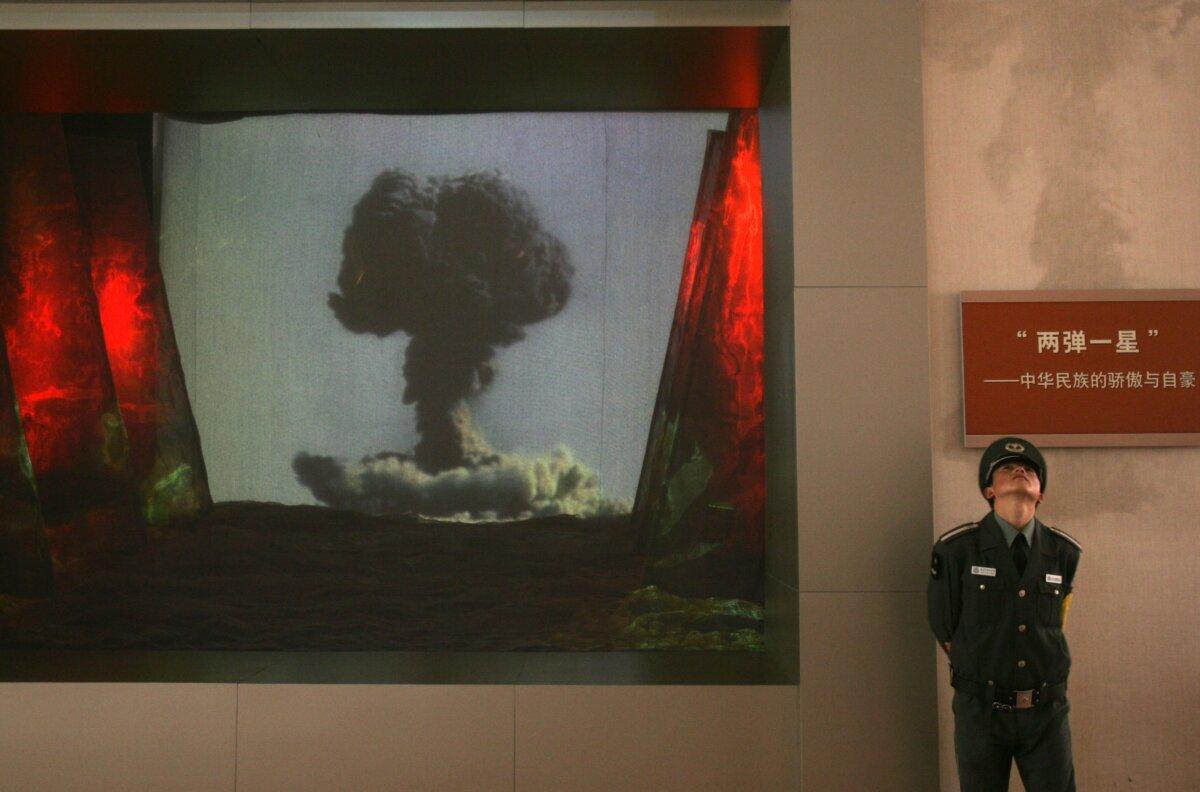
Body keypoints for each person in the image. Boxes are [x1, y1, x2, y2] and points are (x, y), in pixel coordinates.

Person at [927, 437, 1081, 792]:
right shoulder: (957, 550)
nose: (1020, 472)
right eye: (1007, 469)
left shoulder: (1064, 552)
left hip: (1047, 712)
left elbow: (1056, 623)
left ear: (1040, 493)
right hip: (981, 711)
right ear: (989, 490)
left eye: (1029, 470)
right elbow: (944, 625)